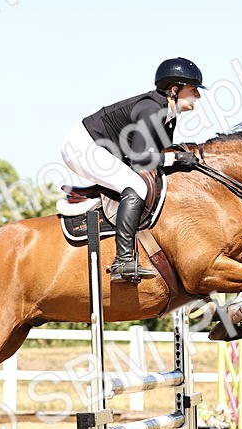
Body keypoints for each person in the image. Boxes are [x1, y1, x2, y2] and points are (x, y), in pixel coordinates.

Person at [60, 57, 204, 283]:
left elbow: (157, 154)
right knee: (135, 185)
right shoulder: (151, 109)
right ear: (174, 89)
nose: (198, 95)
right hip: (82, 147)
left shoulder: (168, 116)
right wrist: (176, 158)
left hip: (106, 150)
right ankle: (122, 261)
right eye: (193, 89)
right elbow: (142, 158)